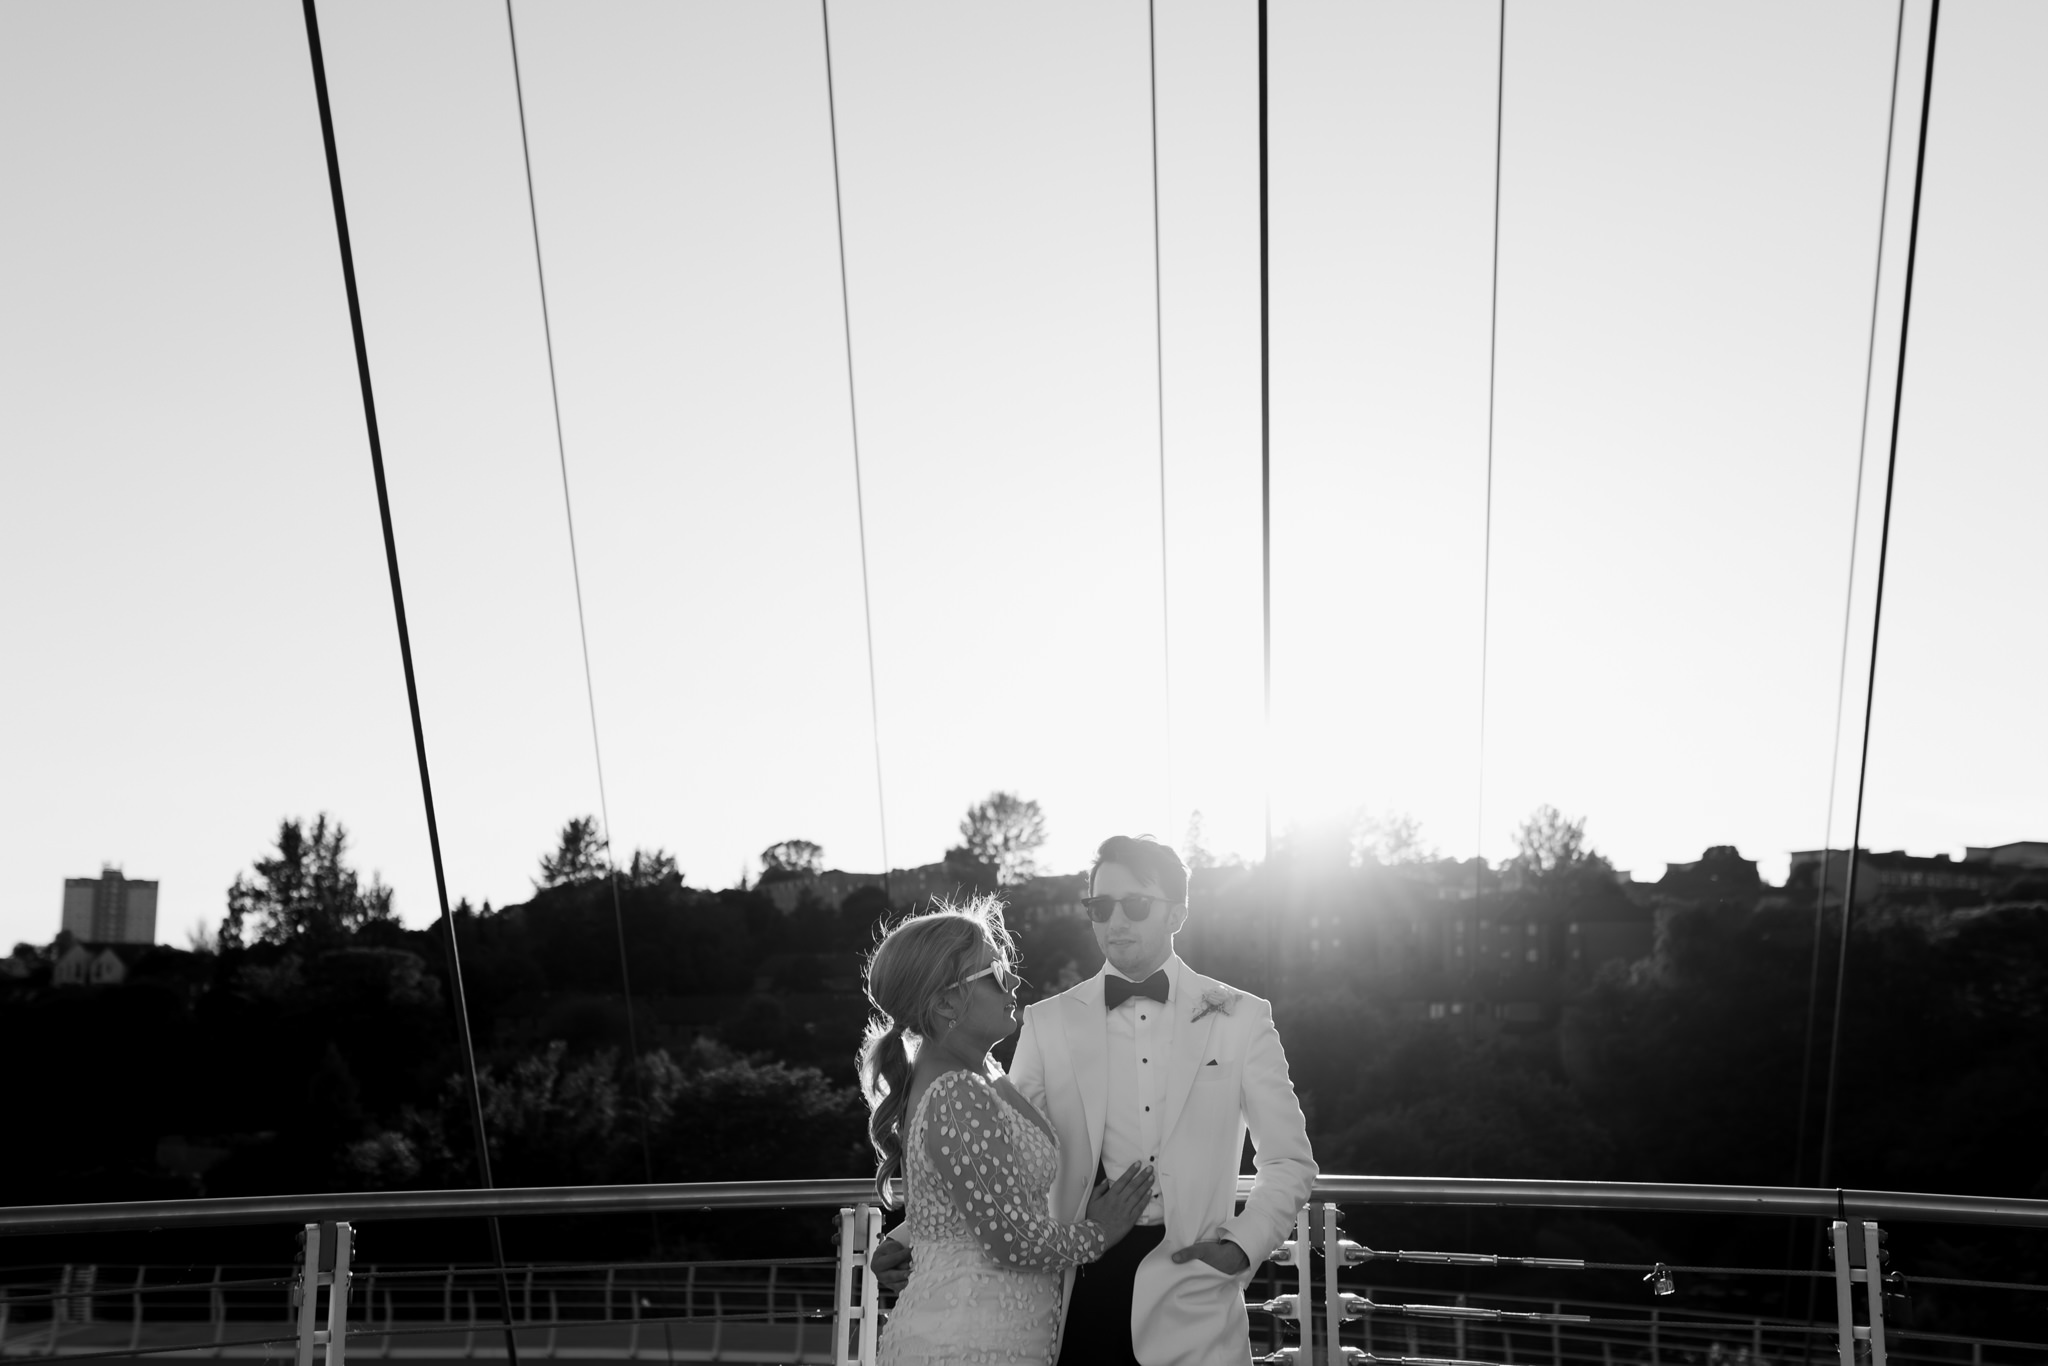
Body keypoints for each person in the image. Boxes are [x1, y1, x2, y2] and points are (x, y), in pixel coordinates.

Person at [876, 836, 1317, 1366]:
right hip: (1077, 1285)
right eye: (1100, 907)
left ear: (1176, 914)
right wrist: (909, 1236)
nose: (1116, 921)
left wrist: (1242, 1246)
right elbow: (1002, 1154)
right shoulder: (1047, 1021)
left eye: (1135, 905)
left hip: (1194, 1288)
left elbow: (1288, 1157)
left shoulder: (1242, 1017)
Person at [860, 899, 1154, 1366]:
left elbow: (969, 1199)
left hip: (998, 1337)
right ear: (945, 1001)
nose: (1014, 981)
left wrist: (900, 1241)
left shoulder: (984, 1075)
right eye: (995, 972)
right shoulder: (956, 1093)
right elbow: (1013, 1240)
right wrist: (1101, 1231)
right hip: (966, 1344)